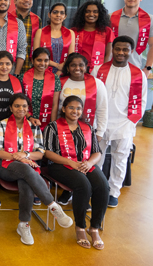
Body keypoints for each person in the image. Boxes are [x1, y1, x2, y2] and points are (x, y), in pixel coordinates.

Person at [0, 93, 73, 245]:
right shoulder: (1, 125)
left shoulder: (34, 127)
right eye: (16, 106)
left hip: (27, 168)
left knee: (26, 179)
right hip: (5, 166)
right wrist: (20, 158)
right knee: (26, 170)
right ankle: (52, 205)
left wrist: (26, 155)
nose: (20, 109)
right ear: (10, 107)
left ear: (28, 108)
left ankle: (23, 225)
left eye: (24, 106)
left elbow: (40, 152)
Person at [43, 95, 109, 250]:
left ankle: (94, 228)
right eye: (71, 107)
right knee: (83, 185)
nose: (75, 111)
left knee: (102, 186)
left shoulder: (88, 128)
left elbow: (97, 152)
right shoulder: (52, 127)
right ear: (64, 109)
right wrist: (70, 162)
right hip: (60, 165)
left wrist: (89, 163)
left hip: (85, 164)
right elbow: (47, 152)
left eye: (78, 108)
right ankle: (80, 227)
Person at [91, 36, 147, 208]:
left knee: (120, 159)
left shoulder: (138, 75)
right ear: (112, 49)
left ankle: (114, 192)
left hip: (124, 123)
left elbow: (142, 102)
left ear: (131, 51)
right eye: (118, 49)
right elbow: (93, 96)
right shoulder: (99, 70)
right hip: (100, 122)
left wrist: (131, 123)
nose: (121, 53)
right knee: (97, 158)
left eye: (125, 49)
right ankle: (96, 189)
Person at [110, 0, 153, 75]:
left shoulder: (150, 20)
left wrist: (148, 68)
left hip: (134, 70)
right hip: (110, 68)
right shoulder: (110, 17)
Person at [57, 53, 108, 139]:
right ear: (68, 68)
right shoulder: (60, 82)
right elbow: (56, 107)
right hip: (63, 128)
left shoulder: (97, 83)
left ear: (85, 67)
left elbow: (102, 109)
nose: (77, 68)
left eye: (81, 65)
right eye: (73, 65)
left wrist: (100, 133)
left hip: (88, 129)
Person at [18, 48, 61, 130]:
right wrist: (29, 117)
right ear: (32, 60)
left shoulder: (54, 78)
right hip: (26, 120)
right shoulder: (23, 77)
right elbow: (19, 102)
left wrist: (53, 125)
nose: (43, 63)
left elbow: (55, 105)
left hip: (46, 122)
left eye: (46, 60)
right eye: (39, 60)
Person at [70, 0, 114, 70]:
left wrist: (103, 69)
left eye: (95, 12)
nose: (91, 14)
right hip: (77, 69)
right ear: (82, 14)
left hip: (97, 69)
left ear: (100, 14)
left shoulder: (107, 31)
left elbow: (109, 54)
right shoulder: (73, 31)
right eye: (88, 11)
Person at [33, 2, 75, 73]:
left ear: (65, 16)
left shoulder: (70, 33)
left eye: (62, 13)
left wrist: (61, 70)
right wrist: (57, 65)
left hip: (63, 71)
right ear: (49, 14)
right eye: (55, 12)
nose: (58, 15)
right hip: (43, 70)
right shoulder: (40, 32)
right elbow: (36, 56)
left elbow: (71, 56)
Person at [10, 0, 41, 74]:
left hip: (30, 63)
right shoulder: (8, 18)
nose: (27, 0)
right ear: (15, 1)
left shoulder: (37, 20)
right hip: (11, 63)